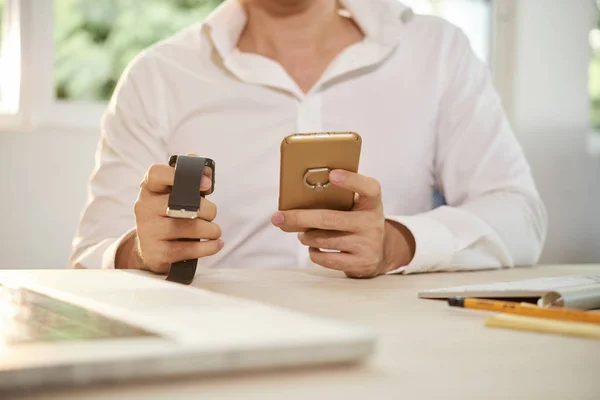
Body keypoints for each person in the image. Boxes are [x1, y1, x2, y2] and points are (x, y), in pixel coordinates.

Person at [70, 0, 547, 278]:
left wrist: (398, 244)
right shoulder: (157, 76)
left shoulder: (438, 52)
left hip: (400, 351)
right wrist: (142, 252)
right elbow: (90, 258)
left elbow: (520, 217)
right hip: (216, 356)